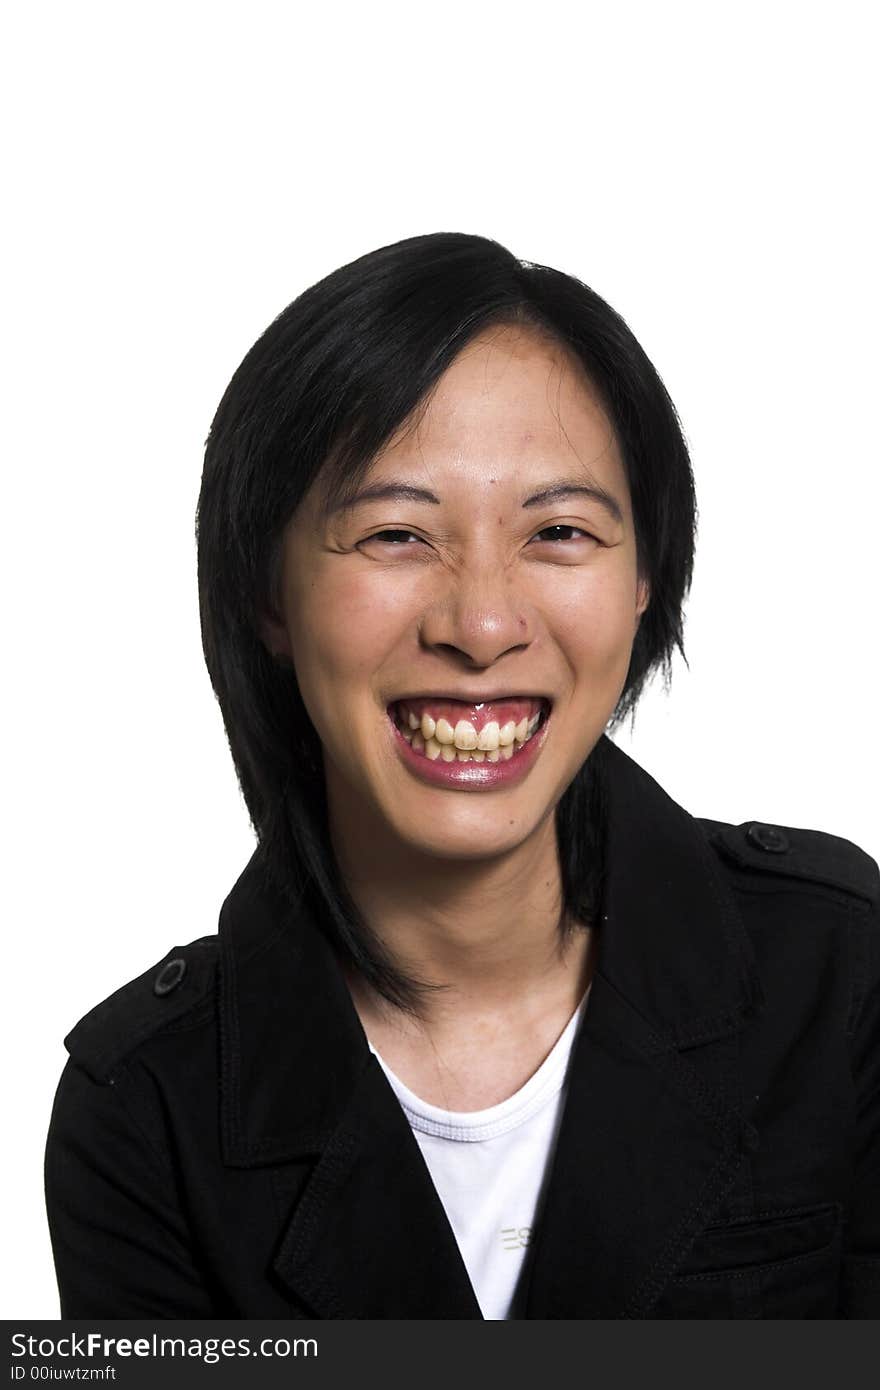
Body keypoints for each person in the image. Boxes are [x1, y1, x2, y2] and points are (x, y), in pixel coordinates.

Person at [44, 232, 879, 1319]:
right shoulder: (142, 1107)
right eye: (395, 534)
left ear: (644, 579)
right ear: (268, 597)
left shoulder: (839, 977)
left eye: (561, 531)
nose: (482, 623)